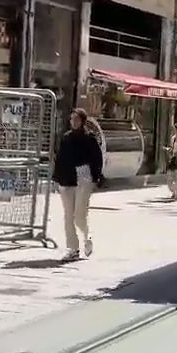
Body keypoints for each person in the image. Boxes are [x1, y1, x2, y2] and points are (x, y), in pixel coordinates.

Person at [52, 108, 103, 262]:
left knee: (79, 215)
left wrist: (95, 178)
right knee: (68, 216)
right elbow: (59, 158)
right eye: (72, 119)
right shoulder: (66, 137)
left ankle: (88, 238)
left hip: (83, 177)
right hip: (66, 179)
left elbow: (96, 159)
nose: (73, 122)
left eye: (76, 119)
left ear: (82, 121)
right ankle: (73, 248)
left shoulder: (89, 138)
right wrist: (56, 178)